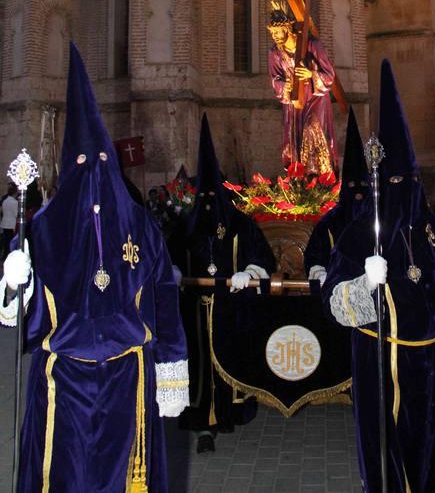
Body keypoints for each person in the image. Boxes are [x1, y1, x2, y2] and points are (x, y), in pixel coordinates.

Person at [0, 42, 189, 491]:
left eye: (102, 162)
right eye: (83, 163)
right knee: (65, 476)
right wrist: (14, 283)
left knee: (123, 478)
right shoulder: (44, 229)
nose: (94, 173)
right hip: (61, 380)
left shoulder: (140, 225)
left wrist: (172, 372)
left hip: (129, 376)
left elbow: (164, 293)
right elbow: (16, 314)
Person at [323, 59, 435, 492]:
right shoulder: (358, 234)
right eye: (393, 182)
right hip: (380, 366)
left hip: (432, 363)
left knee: (431, 457)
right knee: (386, 462)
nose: (402, 190)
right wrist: (363, 286)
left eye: (408, 180)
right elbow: (333, 303)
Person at [174, 113, 276, 453]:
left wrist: (249, 271)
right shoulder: (186, 224)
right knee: (198, 363)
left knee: (228, 358)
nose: (206, 204)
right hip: (193, 309)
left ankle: (230, 411)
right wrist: (173, 271)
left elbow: (261, 256)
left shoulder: (238, 223)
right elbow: (169, 253)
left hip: (229, 308)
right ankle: (200, 419)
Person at [267, 0, 338, 174]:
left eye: (278, 31)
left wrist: (311, 75)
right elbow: (275, 79)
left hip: (315, 97)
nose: (275, 36)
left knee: (312, 130)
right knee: (294, 140)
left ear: (288, 28)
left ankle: (321, 179)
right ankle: (299, 181)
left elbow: (329, 75)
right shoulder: (275, 52)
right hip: (293, 101)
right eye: (272, 32)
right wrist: (286, 85)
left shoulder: (312, 45)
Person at [304, 107, 370, 284]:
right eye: (352, 186)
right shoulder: (329, 222)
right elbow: (314, 256)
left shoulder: (380, 219)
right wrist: (319, 272)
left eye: (363, 186)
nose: (357, 194)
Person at [0, 185, 18, 260]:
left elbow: (3, 212)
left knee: (5, 242)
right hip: (11, 224)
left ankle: (4, 256)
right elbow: (16, 214)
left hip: (4, 223)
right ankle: (9, 256)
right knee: (11, 241)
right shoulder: (15, 202)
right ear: (15, 193)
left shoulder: (4, 201)